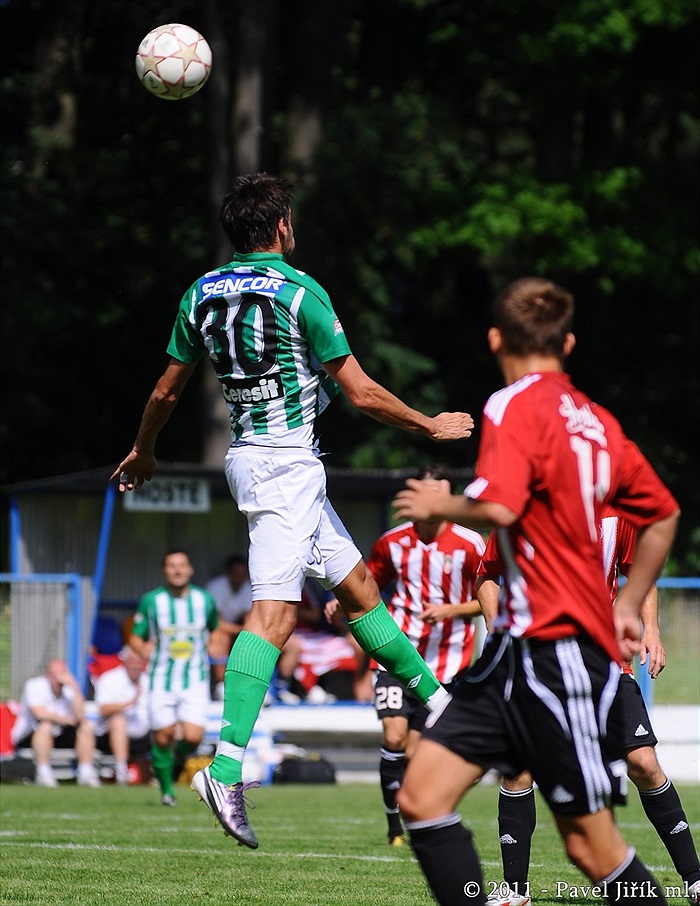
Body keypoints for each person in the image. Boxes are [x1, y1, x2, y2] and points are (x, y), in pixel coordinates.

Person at [111, 172, 473, 848]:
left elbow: (165, 391)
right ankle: (223, 767)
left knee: (359, 590)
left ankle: (446, 705)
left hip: (261, 457)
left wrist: (144, 450)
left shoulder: (200, 292)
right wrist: (430, 426)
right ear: (280, 226)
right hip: (284, 468)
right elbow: (360, 392)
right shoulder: (301, 290)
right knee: (273, 616)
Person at [392, 276, 680, 906]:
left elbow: (501, 505)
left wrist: (446, 502)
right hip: (510, 655)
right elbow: (663, 515)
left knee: (591, 849)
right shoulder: (601, 424)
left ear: (495, 339)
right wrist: (630, 605)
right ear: (569, 342)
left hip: (561, 653)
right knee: (421, 796)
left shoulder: (510, 405)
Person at [477, 509, 700, 906]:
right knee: (519, 768)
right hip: (537, 662)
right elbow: (487, 574)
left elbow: (641, 573)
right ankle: (515, 890)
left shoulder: (618, 515)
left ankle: (696, 880)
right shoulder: (523, 508)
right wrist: (497, 630)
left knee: (644, 764)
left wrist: (652, 629)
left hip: (606, 663)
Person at [366, 464, 485, 846]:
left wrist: (452, 611)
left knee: (419, 751)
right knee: (395, 734)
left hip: (449, 665)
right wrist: (341, 605)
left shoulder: (470, 543)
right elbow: (368, 585)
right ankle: (392, 827)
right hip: (396, 658)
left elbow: (490, 598)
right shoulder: (392, 542)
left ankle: (418, 817)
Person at [128, 549, 218, 806]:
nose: (177, 570)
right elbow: (136, 634)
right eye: (172, 566)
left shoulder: (205, 600)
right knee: (164, 734)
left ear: (190, 569)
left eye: (182, 565)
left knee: (192, 737)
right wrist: (139, 647)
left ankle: (170, 762)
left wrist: (217, 644)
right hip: (161, 678)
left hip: (195, 678)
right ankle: (167, 792)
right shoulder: (151, 601)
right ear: (165, 570)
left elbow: (216, 628)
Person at [11, 658, 101, 788]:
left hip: (59, 735)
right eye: (55, 674)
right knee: (46, 725)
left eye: (63, 674)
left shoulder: (69, 689)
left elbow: (80, 717)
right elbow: (40, 713)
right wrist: (67, 720)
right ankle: (43, 772)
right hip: (30, 735)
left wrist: (75, 688)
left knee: (85, 727)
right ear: (47, 675)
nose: (59, 679)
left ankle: (86, 771)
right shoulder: (34, 685)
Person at [93, 645, 151, 786]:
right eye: (132, 661)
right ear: (124, 661)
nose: (136, 665)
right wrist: (130, 702)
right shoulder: (109, 679)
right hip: (111, 735)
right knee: (118, 721)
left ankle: (170, 772)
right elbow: (104, 709)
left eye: (139, 662)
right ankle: (121, 770)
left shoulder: (149, 680)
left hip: (145, 734)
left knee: (167, 725)